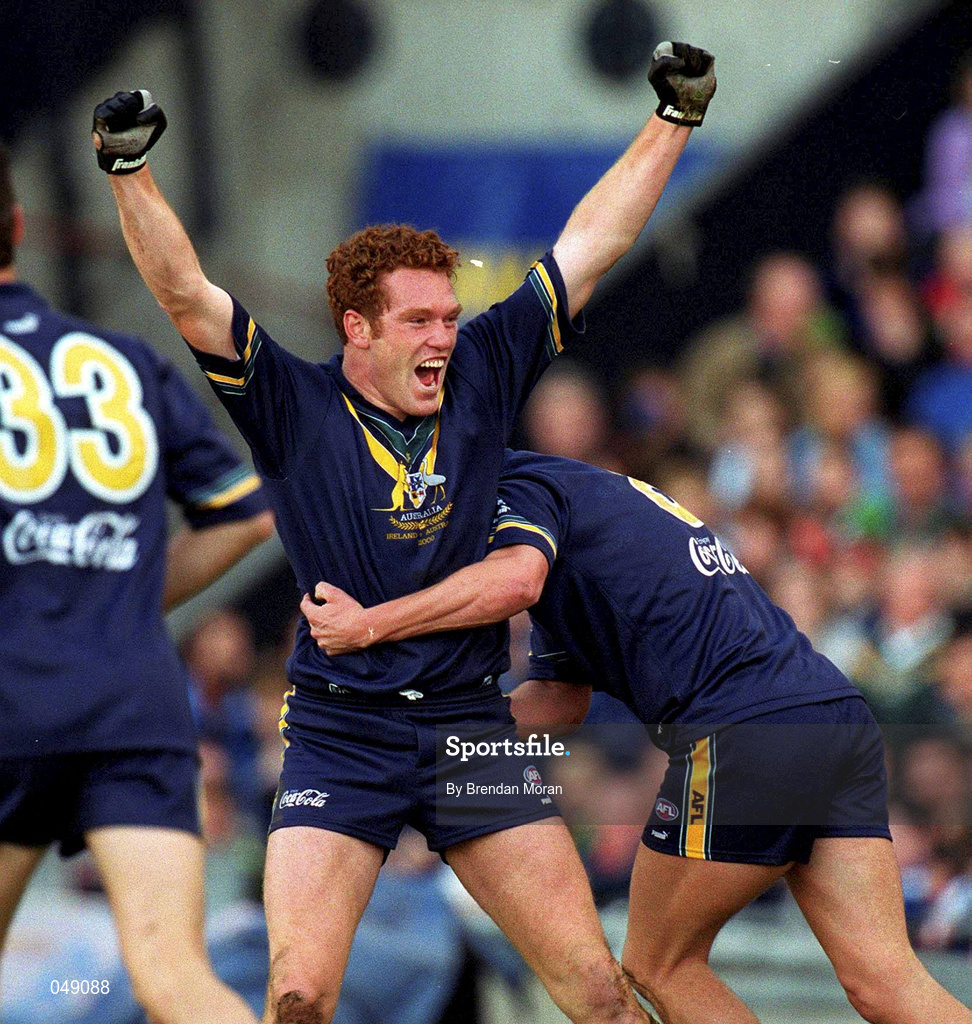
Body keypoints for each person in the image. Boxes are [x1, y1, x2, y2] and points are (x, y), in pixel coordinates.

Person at [92, 41, 716, 1024]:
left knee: (598, 990)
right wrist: (130, 171)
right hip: (340, 731)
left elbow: (589, 244)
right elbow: (185, 294)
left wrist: (673, 120)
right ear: (357, 329)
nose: (443, 337)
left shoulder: (484, 364)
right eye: (420, 319)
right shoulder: (289, 403)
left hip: (472, 724)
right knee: (298, 998)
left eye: (449, 316)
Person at [303, 448, 972, 1024]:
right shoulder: (577, 510)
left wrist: (375, 628)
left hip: (746, 729)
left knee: (660, 964)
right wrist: (444, 740)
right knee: (886, 983)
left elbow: (515, 580)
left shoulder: (514, 495)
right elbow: (558, 703)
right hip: (828, 711)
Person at [0, 141, 274, 1024]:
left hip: (10, 696)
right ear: (15, 228)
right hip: (134, 699)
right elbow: (244, 513)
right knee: (176, 981)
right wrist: (107, 600)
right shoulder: (122, 359)